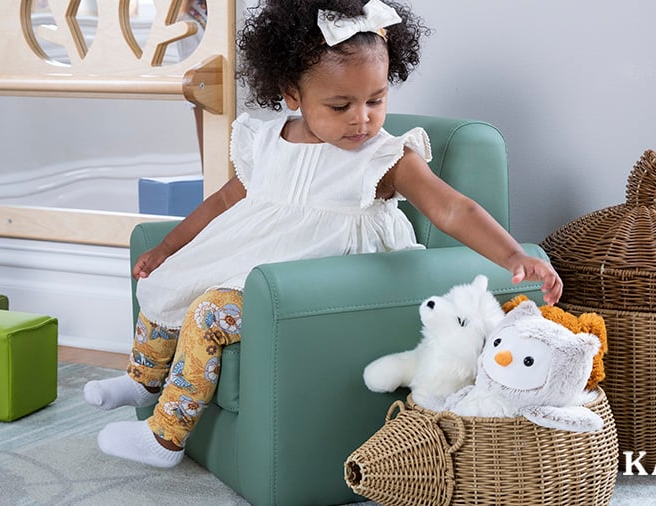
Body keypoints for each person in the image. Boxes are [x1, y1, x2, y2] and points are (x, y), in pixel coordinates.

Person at [85, 0, 562, 469]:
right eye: (341, 105)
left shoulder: (385, 158)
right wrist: (168, 248)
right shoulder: (269, 142)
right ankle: (144, 378)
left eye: (376, 100)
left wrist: (513, 255)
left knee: (208, 314)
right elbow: (224, 202)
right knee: (169, 280)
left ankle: (165, 437)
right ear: (293, 94)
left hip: (305, 283)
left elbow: (452, 208)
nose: (363, 118)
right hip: (250, 258)